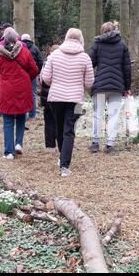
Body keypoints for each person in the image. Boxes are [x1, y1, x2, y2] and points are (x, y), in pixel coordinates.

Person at [40, 28, 94, 177]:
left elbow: (46, 78)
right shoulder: (85, 58)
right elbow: (89, 83)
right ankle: (64, 165)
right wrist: (79, 85)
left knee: (59, 127)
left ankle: (62, 158)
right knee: (69, 130)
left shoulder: (54, 55)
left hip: (55, 98)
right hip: (76, 100)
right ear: (80, 39)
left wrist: (56, 84)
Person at [0, 27, 39, 160]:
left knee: (7, 121)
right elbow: (34, 70)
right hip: (23, 89)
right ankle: (18, 143)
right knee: (21, 117)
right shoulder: (24, 52)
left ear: (4, 39)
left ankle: (9, 152)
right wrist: (25, 77)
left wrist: (4, 77)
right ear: (17, 38)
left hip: (6, 90)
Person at [88, 21, 131, 154]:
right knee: (113, 115)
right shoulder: (122, 45)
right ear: (115, 30)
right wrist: (127, 87)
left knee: (97, 115)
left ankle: (95, 143)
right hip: (117, 86)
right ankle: (110, 144)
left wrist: (89, 83)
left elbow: (90, 64)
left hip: (100, 85)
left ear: (102, 31)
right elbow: (127, 68)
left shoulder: (97, 44)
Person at [40, 44, 59, 153]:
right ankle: (59, 142)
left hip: (46, 96)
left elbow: (42, 79)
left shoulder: (46, 62)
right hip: (58, 95)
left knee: (48, 121)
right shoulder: (63, 62)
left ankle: (50, 145)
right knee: (58, 120)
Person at [21, 34, 44, 120]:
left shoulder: (20, 48)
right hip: (32, 74)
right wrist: (37, 71)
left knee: (23, 93)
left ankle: (24, 114)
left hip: (22, 75)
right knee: (33, 94)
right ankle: (32, 114)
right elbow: (41, 61)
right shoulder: (35, 48)